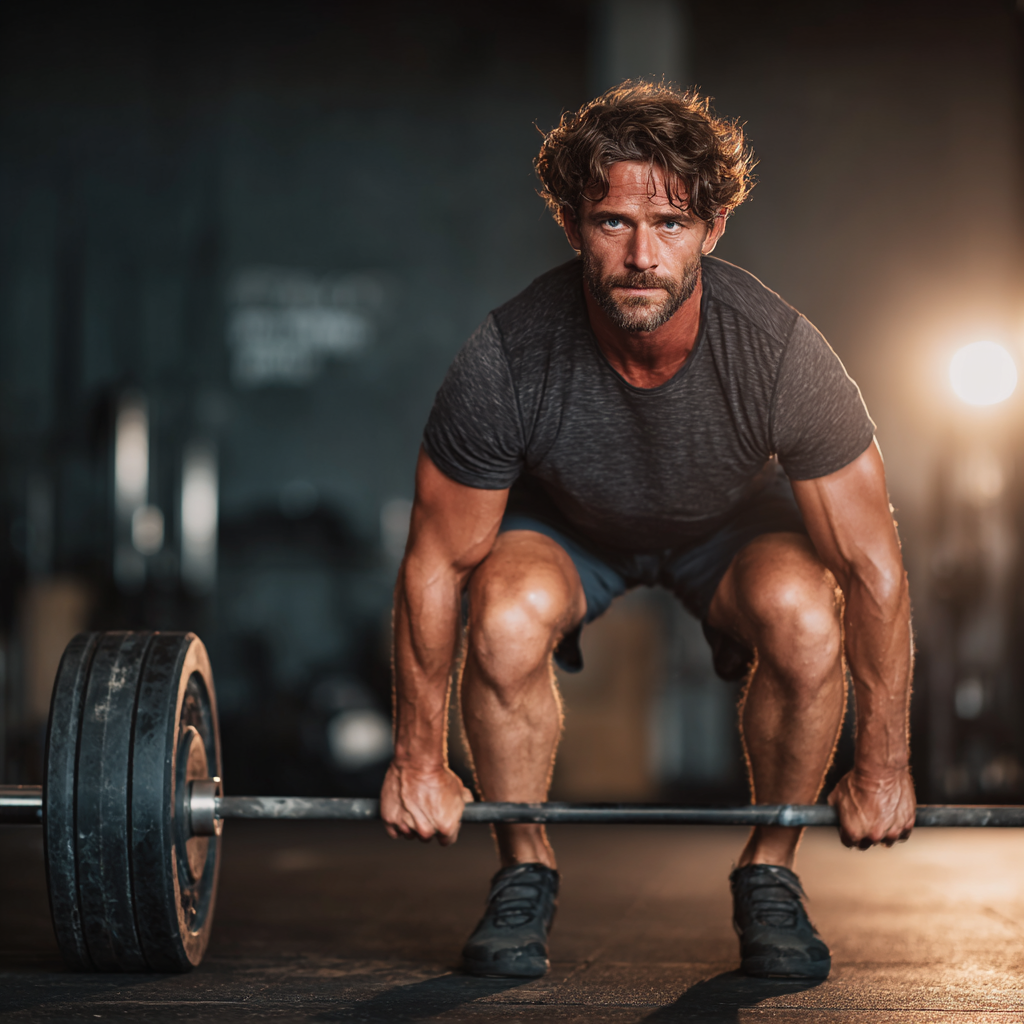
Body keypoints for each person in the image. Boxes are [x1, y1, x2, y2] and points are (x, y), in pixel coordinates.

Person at [380, 81, 916, 982]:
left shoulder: (779, 354)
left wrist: (884, 765)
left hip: (728, 532)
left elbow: (872, 567)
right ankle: (524, 869)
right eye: (611, 222)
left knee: (805, 611)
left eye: (669, 223)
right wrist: (419, 760)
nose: (640, 254)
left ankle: (771, 872)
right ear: (569, 224)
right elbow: (434, 562)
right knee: (503, 614)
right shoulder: (508, 358)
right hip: (570, 531)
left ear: (711, 227)